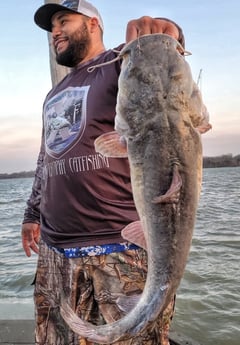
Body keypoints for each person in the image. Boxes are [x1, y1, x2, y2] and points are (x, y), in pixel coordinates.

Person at [21, 1, 186, 344]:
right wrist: (31, 213)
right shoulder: (53, 94)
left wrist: (163, 31)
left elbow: (161, 63)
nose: (55, 32)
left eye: (63, 21)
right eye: (51, 27)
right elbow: (46, 156)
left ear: (93, 24)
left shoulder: (120, 62)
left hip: (120, 244)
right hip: (55, 250)